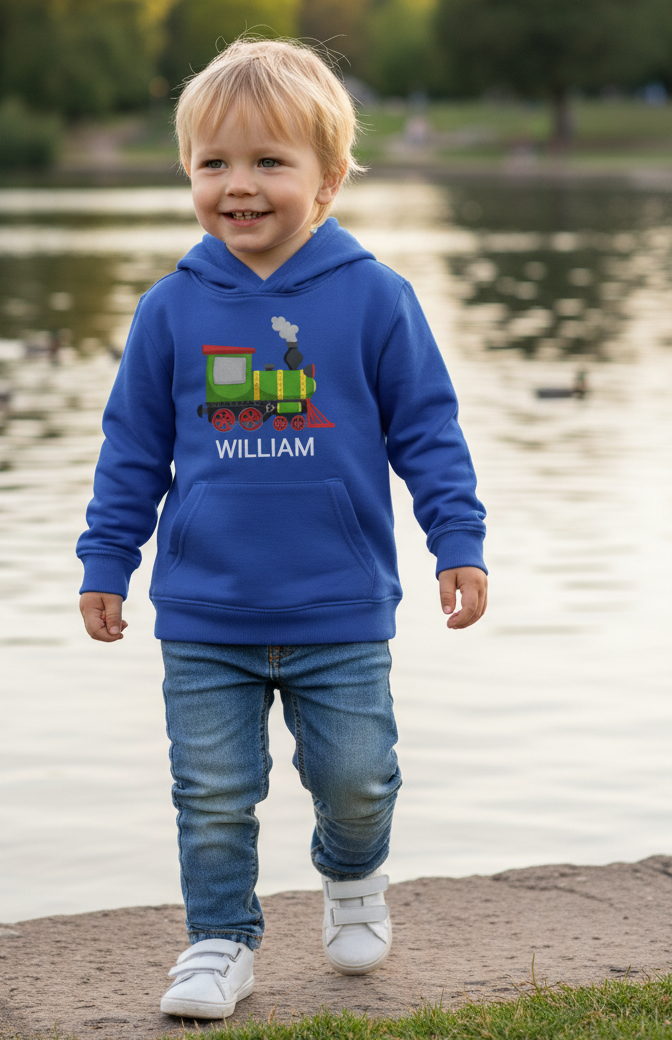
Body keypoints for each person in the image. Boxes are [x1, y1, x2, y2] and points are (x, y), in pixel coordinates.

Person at [77, 37, 487, 1021]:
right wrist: (105, 559)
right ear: (188, 173)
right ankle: (220, 939)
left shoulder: (374, 298)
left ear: (329, 177)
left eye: (268, 161)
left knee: (353, 780)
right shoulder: (170, 310)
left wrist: (457, 541)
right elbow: (131, 451)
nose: (238, 185)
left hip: (337, 605)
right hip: (205, 608)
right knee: (212, 793)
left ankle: (353, 874)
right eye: (214, 163)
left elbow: (428, 430)